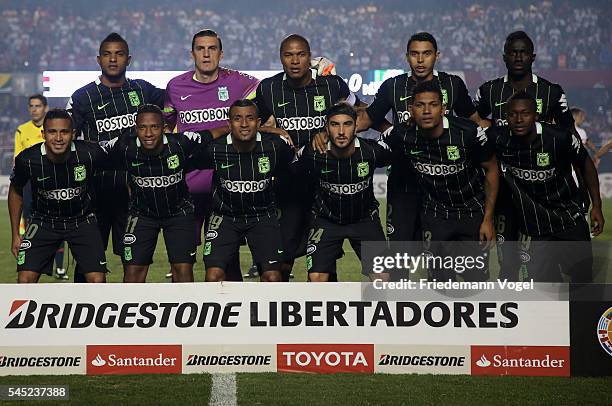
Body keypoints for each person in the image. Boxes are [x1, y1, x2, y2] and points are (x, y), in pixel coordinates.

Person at [357, 32, 488, 244]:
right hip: (404, 182)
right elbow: (367, 119)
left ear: (437, 55)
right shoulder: (393, 86)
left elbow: (475, 122)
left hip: (444, 187)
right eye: (414, 54)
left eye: (426, 54)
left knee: (440, 260)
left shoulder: (452, 84)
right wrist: (330, 131)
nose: (420, 60)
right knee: (400, 255)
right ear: (407, 56)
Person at [254, 34, 360, 281]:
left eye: (301, 54)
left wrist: (330, 132)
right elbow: (247, 125)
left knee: (324, 261)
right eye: (288, 55)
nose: (295, 61)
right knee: (282, 259)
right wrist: (274, 129)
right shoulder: (269, 88)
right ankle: (277, 314)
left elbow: (360, 113)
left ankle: (327, 314)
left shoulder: (332, 85)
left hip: (326, 185)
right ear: (281, 58)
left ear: (310, 57)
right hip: (287, 184)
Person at [474, 30, 577, 281]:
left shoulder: (551, 92)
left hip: (542, 192)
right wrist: (490, 128)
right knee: (507, 260)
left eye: (523, 52)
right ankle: (513, 309)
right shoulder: (489, 91)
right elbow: (472, 124)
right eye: (513, 52)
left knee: (542, 265)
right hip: (505, 190)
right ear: (504, 57)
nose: (518, 57)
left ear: (533, 56)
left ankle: (545, 310)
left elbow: (569, 136)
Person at [163, 29, 260, 281]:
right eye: (200, 48)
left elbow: (271, 92)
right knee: (181, 264)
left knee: (226, 264)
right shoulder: (175, 86)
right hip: (185, 188)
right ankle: (184, 317)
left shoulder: (240, 82)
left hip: (227, 188)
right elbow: (164, 126)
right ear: (192, 53)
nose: (206, 54)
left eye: (212, 48)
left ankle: (233, 317)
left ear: (221, 53)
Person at [67, 32, 165, 282]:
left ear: (128, 59)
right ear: (98, 59)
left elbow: (180, 104)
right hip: (93, 193)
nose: (113, 59)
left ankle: (128, 318)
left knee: (133, 263)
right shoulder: (82, 97)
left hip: (134, 194)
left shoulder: (142, 90)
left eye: (119, 54)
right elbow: (67, 139)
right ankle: (84, 312)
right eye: (108, 55)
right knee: (88, 263)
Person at [387, 81, 499, 282]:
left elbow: (491, 169)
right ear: (411, 110)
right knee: (439, 283)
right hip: (434, 216)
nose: (427, 111)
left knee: (476, 282)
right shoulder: (402, 134)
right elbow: (367, 147)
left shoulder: (468, 133)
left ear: (443, 109)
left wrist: (488, 219)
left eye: (433, 104)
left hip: (471, 214)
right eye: (420, 105)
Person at [104, 104, 228, 283]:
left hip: (179, 213)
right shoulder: (123, 145)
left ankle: (185, 311)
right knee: (133, 274)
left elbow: (213, 133)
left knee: (182, 271)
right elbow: (93, 151)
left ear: (163, 127)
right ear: (135, 128)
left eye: (154, 127)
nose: (148, 133)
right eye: (142, 127)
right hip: (141, 214)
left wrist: (255, 129)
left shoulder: (181, 142)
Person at [488, 92, 603, 282]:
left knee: (581, 279)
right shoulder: (497, 138)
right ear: (506, 117)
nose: (518, 119)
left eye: (524, 113)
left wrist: (596, 205)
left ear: (536, 115)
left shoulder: (558, 137)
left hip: (569, 219)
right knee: (542, 285)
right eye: (512, 114)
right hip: (535, 228)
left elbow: (586, 165)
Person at [9, 109, 108, 283]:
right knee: (25, 279)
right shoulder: (27, 159)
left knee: (97, 280)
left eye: (64, 131)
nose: (58, 138)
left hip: (82, 220)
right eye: (52, 132)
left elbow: (119, 170)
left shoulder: (91, 153)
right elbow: (15, 190)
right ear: (43, 134)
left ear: (73, 134)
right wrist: (16, 234)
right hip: (43, 221)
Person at [296, 103, 392, 281]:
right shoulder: (313, 152)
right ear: (326, 128)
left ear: (356, 126)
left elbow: (403, 154)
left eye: (347, 124)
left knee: (383, 277)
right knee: (316, 278)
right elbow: (290, 170)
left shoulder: (372, 151)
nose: (341, 131)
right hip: (326, 220)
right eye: (335, 124)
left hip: (365, 220)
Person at [202, 100, 293, 282]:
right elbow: (183, 166)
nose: (244, 124)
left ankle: (265, 311)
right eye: (238, 119)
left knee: (273, 277)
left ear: (258, 123)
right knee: (213, 276)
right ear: (229, 124)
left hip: (262, 216)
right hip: (224, 217)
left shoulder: (275, 147)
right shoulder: (213, 149)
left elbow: (287, 174)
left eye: (249, 118)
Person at [14, 95, 67, 279]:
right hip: (30, 184)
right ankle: (32, 261)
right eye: (31, 106)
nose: (34, 109)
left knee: (61, 222)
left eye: (38, 106)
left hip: (55, 181)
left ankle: (60, 267)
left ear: (45, 108)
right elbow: (18, 159)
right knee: (31, 224)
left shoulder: (54, 127)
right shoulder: (22, 130)